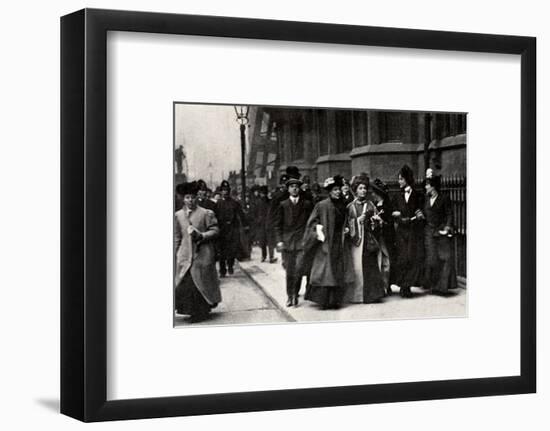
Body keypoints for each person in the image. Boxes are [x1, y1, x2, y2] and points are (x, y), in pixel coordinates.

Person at [303, 175, 354, 309]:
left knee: (337, 269)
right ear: (330, 191)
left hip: (339, 241)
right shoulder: (322, 205)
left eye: (339, 190)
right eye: (335, 190)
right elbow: (312, 222)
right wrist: (318, 233)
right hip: (326, 241)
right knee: (325, 270)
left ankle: (335, 301)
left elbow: (346, 221)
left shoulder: (343, 206)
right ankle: (324, 301)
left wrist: (347, 228)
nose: (338, 192)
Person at [174, 181, 221, 322]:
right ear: (183, 198)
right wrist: (175, 252)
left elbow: (215, 230)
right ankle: (189, 310)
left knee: (201, 282)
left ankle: (200, 312)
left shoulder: (206, 213)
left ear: (197, 198)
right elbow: (177, 236)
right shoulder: (178, 215)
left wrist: (202, 235)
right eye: (187, 197)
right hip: (185, 254)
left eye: (193, 197)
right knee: (186, 283)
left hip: (202, 254)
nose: (190, 200)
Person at [344, 174, 386, 304]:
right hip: (356, 242)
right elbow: (347, 224)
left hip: (368, 240)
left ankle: (372, 295)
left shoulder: (371, 205)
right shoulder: (350, 206)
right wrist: (357, 221)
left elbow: (378, 223)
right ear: (355, 190)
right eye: (360, 188)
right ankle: (357, 296)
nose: (363, 191)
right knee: (357, 267)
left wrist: (377, 221)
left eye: (365, 188)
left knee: (370, 266)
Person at [274, 178, 314, 307]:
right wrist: (279, 241)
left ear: (300, 188)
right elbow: (277, 225)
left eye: (297, 186)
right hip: (287, 243)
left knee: (299, 269)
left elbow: (311, 222)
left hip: (302, 242)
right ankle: (289, 295)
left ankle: (295, 294)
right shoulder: (283, 205)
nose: (295, 188)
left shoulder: (307, 204)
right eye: (292, 186)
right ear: (288, 189)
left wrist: (309, 238)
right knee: (289, 271)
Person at [392, 165, 425, 298]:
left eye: (401, 179)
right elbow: (392, 212)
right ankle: (403, 285)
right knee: (402, 259)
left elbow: (421, 212)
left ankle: (407, 286)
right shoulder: (396, 196)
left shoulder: (418, 195)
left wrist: (418, 217)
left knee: (412, 258)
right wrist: (398, 216)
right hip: (401, 232)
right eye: (398, 179)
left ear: (407, 179)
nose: (399, 181)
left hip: (413, 232)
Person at [423, 173, 458, 294]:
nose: (426, 187)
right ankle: (432, 284)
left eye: (427, 185)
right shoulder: (426, 199)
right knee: (431, 260)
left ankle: (440, 287)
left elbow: (449, 213)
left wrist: (447, 227)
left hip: (440, 231)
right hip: (428, 232)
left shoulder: (444, 198)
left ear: (433, 187)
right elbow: (423, 214)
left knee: (441, 259)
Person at [215, 180, 246, 277]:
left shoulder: (234, 203)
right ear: (221, 192)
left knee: (232, 250)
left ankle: (230, 266)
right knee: (222, 251)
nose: (225, 192)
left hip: (232, 229)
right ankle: (222, 270)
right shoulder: (218, 204)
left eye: (227, 190)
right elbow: (214, 217)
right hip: (222, 230)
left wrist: (245, 225)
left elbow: (241, 215)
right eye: (223, 190)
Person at [370, 178, 395, 295]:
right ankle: (379, 286)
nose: (372, 194)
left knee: (386, 261)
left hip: (385, 237)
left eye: (374, 192)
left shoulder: (387, 205)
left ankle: (386, 285)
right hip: (376, 237)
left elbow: (390, 223)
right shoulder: (373, 205)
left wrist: (381, 221)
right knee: (377, 261)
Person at [256, 185, 277, 263]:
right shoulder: (266, 202)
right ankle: (268, 256)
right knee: (266, 241)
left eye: (264, 193)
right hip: (264, 224)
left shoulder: (265, 202)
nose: (263, 195)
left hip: (266, 223)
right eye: (262, 193)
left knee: (266, 241)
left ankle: (267, 256)